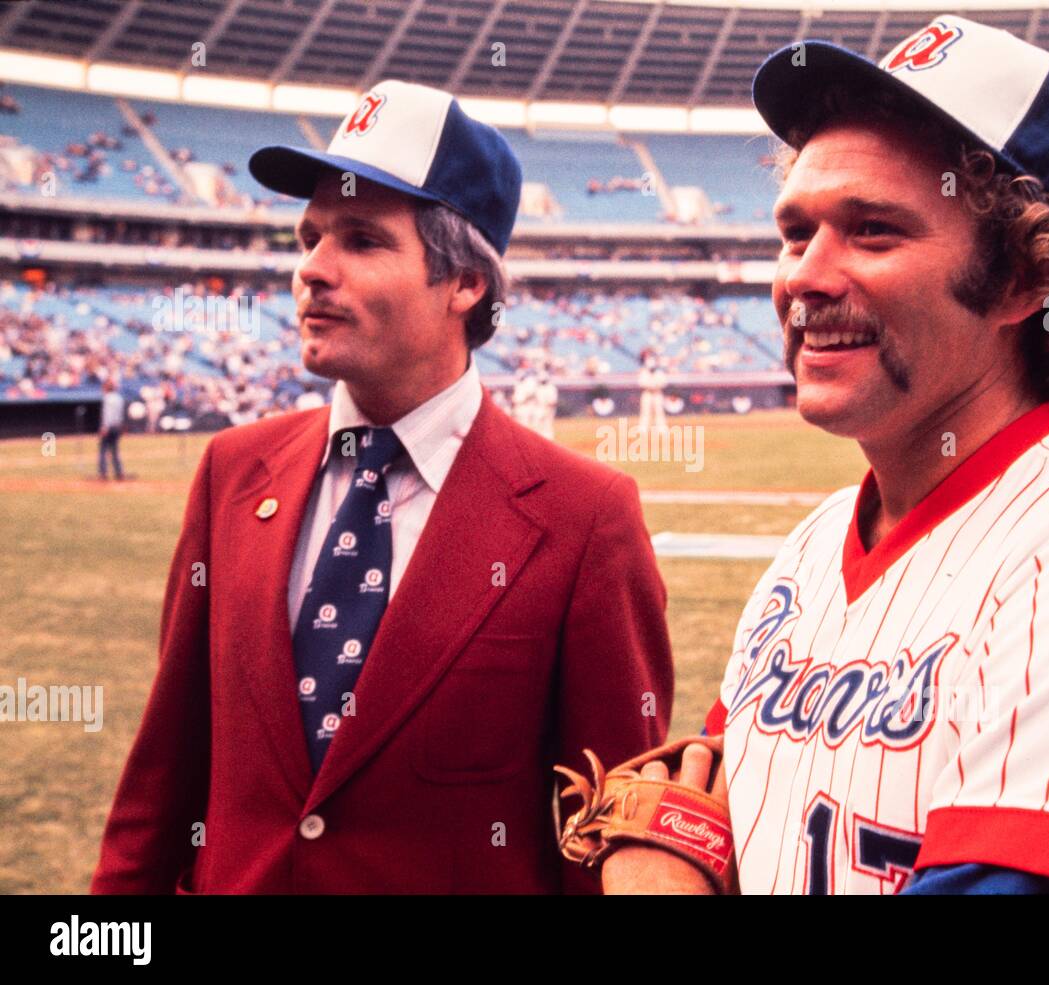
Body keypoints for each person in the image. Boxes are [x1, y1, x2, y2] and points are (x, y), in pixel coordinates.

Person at [600, 15, 1049, 895]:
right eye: (796, 234)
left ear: (1027, 281)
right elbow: (709, 809)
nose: (803, 275)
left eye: (873, 230)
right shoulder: (806, 553)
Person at [91, 80, 673, 895]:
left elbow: (607, 840)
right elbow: (162, 782)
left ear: (465, 282)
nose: (311, 271)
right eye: (310, 236)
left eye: (361, 240)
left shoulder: (583, 517)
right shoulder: (231, 472)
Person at [97, 376, 125, 480]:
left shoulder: (107, 398)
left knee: (103, 450)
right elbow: (121, 415)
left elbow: (107, 414)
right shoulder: (119, 398)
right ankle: (119, 473)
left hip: (109, 427)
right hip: (117, 426)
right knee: (115, 450)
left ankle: (103, 473)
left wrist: (104, 427)